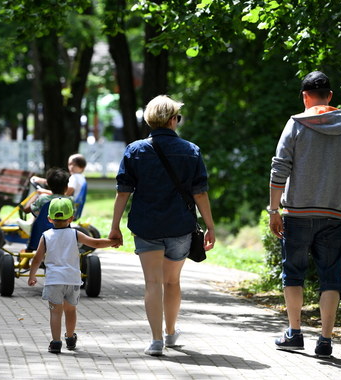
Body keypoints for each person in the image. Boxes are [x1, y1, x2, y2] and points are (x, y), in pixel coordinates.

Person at [268, 71, 341, 358]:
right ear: (331, 97)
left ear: (304, 96)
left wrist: (274, 209)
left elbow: (279, 168)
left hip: (298, 212)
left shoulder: (296, 125)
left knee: (294, 273)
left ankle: (295, 333)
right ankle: (325, 341)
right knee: (331, 278)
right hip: (335, 216)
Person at [109, 95, 216, 356]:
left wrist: (115, 227)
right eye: (177, 117)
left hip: (146, 226)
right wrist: (211, 226)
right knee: (172, 282)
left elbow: (123, 191)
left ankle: (156, 341)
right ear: (171, 120)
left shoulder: (134, 150)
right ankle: (170, 333)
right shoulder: (191, 150)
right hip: (179, 226)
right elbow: (200, 193)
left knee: (152, 283)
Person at [28, 197, 119, 354]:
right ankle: (70, 338)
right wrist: (112, 241)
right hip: (72, 279)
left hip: (54, 281)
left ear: (49, 218)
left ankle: (56, 343)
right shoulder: (75, 234)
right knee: (70, 310)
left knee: (55, 312)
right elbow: (96, 243)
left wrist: (32, 275)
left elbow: (37, 258)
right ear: (71, 217)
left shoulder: (46, 236)